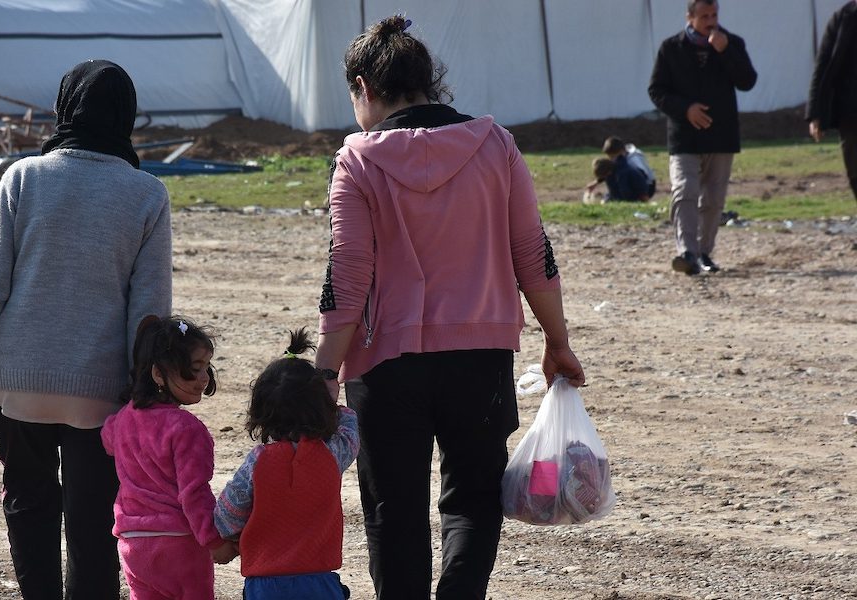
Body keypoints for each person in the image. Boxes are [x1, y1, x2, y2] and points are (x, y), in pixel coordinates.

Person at [313, 15, 586, 600]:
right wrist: (556, 340)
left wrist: (322, 372)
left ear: (363, 86)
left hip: (385, 367)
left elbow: (348, 273)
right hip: (481, 357)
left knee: (394, 508)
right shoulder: (496, 144)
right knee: (473, 499)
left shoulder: (357, 160)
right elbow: (532, 252)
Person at [0, 60, 173, 599]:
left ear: (65, 108)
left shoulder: (22, 179)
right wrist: (146, 395)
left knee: (29, 508)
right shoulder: (147, 194)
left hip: (16, 389)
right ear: (126, 117)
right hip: (100, 395)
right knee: (92, 523)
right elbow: (149, 314)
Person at [214, 328, 360, 600]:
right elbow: (351, 425)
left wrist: (235, 538)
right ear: (321, 407)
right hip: (320, 583)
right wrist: (331, 401)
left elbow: (226, 517)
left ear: (261, 412)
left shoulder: (258, 461)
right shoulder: (333, 454)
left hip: (266, 584)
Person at [101, 316, 238, 600]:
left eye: (206, 369)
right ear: (158, 375)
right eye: (194, 369)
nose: (204, 379)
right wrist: (214, 541)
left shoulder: (123, 419)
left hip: (132, 545)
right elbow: (194, 493)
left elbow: (108, 438)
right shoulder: (186, 428)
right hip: (179, 545)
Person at [649, 0, 757, 275]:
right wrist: (685, 109)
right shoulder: (671, 48)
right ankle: (687, 252)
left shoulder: (731, 42)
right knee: (685, 191)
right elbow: (657, 91)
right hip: (685, 137)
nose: (711, 21)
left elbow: (747, 81)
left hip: (721, 137)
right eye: (704, 16)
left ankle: (705, 253)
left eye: (714, 15)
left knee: (713, 199)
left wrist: (726, 52)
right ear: (690, 17)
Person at [806, 0, 857, 200]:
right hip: (850, 111)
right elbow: (823, 65)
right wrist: (815, 113)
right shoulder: (843, 18)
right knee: (854, 171)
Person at [585, 136, 656, 202]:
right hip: (629, 182)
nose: (611, 159)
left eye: (612, 156)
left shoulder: (634, 161)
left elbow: (642, 178)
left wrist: (643, 196)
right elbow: (609, 169)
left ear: (621, 151)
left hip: (647, 185)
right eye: (609, 156)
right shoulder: (619, 159)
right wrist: (596, 182)